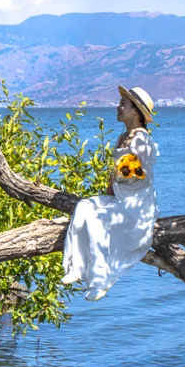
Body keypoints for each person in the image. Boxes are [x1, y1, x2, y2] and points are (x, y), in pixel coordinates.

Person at [61, 85, 159, 301]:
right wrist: (113, 180)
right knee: (84, 207)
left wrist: (116, 180)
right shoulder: (124, 136)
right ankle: (75, 267)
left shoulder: (141, 139)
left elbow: (139, 174)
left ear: (135, 111)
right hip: (120, 194)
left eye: (123, 104)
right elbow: (119, 170)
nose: (118, 106)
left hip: (136, 202)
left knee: (97, 221)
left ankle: (101, 280)